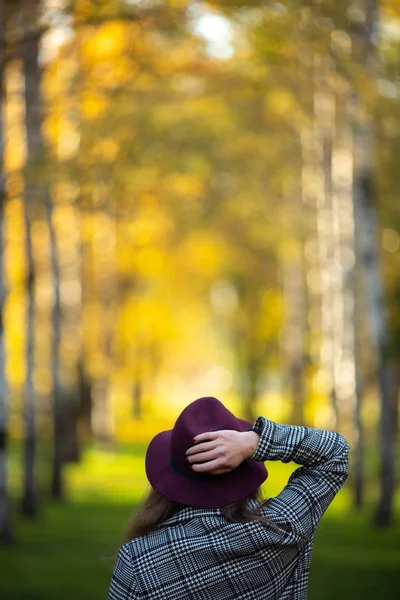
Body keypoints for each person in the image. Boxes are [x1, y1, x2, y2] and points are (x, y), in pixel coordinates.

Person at [107, 396, 349, 599]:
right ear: (244, 467)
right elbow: (335, 452)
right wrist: (255, 442)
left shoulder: (139, 559)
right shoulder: (282, 528)